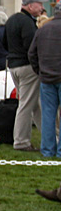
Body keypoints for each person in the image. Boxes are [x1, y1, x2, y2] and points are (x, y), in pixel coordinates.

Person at [3, 0, 46, 151]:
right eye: (39, 4)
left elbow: (5, 43)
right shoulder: (28, 23)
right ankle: (21, 141)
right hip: (27, 67)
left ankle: (50, 137)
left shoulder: (12, 20)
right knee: (27, 105)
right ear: (29, 5)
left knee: (33, 104)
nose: (42, 8)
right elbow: (32, 47)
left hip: (14, 65)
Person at [29, 12, 61, 158]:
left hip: (46, 78)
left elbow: (31, 53)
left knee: (48, 115)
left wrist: (39, 70)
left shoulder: (43, 29)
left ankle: (48, 150)